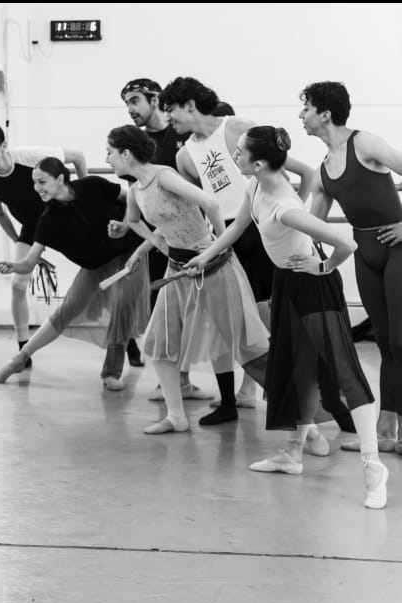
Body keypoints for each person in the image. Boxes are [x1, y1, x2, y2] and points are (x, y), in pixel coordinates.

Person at [186, 126, 387, 509]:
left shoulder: (286, 207)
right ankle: (293, 455)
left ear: (258, 163)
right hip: (288, 282)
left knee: (343, 369)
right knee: (294, 368)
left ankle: (373, 465)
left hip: (314, 286)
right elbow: (237, 228)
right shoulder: (254, 187)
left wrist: (325, 267)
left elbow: (347, 242)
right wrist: (204, 255)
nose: (235, 157)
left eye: (240, 153)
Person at [160, 76, 317, 416]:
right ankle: (231, 401)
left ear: (190, 105)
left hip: (261, 231)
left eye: (171, 109)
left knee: (271, 317)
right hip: (225, 234)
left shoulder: (239, 129)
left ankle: (309, 395)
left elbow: (302, 173)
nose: (168, 117)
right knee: (225, 319)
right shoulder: (185, 156)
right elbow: (200, 205)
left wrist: (287, 220)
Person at [105, 125, 272, 433]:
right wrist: (156, 244)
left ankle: (304, 416)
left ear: (126, 154)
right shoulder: (136, 191)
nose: (107, 158)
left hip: (213, 265)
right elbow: (132, 221)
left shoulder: (164, 176)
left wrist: (221, 246)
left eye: (110, 152)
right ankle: (176, 416)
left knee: (242, 341)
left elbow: (210, 204)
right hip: (177, 269)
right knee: (159, 342)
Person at [301, 81, 402, 453]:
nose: (301, 115)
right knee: (385, 342)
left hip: (398, 246)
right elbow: (312, 224)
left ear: (325, 113)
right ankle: (386, 428)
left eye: (306, 108)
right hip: (365, 251)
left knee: (401, 339)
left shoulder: (366, 143)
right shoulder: (323, 171)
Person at [0, 158, 149, 388]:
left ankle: (111, 372)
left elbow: (131, 199)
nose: (37, 188)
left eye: (42, 181)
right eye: (34, 183)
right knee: (66, 310)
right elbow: (29, 263)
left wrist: (124, 225)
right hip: (94, 265)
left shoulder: (92, 185)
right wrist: (14, 266)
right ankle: (18, 359)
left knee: (123, 307)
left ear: (61, 179)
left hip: (129, 254)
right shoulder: (48, 220)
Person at [119, 78, 209, 400]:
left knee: (200, 311)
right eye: (127, 103)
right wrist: (141, 236)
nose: (130, 109)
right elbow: (140, 198)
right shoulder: (137, 145)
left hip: (196, 237)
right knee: (167, 310)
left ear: (155, 99)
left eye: (134, 101)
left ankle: (225, 385)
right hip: (163, 242)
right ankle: (176, 381)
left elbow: (200, 190)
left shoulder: (180, 134)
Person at [0, 123, 86, 366]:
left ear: (3, 146)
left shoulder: (31, 156)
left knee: (97, 267)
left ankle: (126, 343)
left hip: (62, 217)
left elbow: (77, 156)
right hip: (33, 229)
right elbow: (1, 215)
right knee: (17, 285)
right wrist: (17, 243)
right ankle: (24, 347)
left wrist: (85, 195)